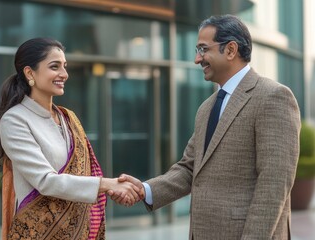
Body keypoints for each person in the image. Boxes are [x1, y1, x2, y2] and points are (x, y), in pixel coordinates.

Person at [109, 14, 301, 239]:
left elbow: (274, 184)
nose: (197, 59)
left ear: (230, 50)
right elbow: (189, 168)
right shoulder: (206, 108)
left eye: (203, 49)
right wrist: (145, 190)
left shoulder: (273, 96)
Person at [0, 37, 142, 240]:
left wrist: (114, 187)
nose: (64, 74)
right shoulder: (15, 120)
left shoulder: (68, 118)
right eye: (55, 67)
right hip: (39, 233)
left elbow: (86, 173)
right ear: (29, 73)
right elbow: (45, 181)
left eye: (65, 66)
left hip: (78, 231)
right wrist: (107, 184)